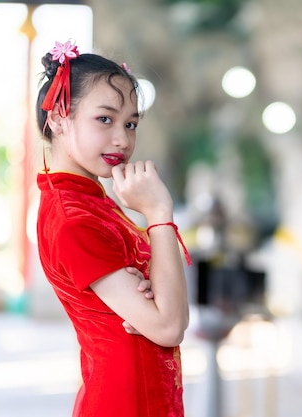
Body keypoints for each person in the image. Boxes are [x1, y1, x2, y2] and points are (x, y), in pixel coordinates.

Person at [35, 39, 191, 417]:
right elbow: (169, 326)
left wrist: (157, 296)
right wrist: (158, 213)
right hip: (125, 403)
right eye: (104, 119)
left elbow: (169, 313)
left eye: (131, 123)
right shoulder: (74, 219)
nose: (122, 139)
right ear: (58, 117)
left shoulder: (93, 202)